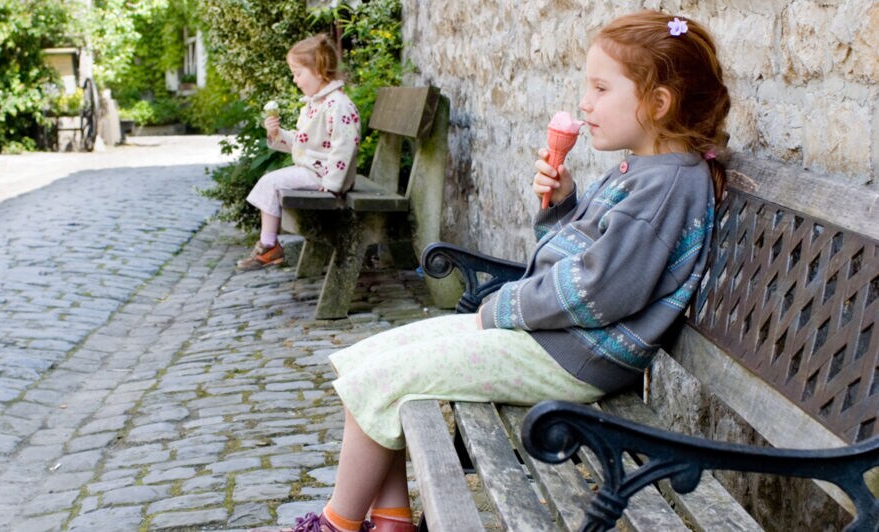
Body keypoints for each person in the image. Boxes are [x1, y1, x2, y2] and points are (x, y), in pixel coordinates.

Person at [261, 10, 732, 532]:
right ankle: (390, 519)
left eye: (600, 88)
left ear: (658, 102)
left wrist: (505, 308)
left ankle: (338, 525)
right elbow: (591, 261)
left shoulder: (664, 185)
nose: (584, 103)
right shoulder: (648, 171)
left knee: (381, 381)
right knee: (366, 360)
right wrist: (561, 205)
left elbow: (601, 289)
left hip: (569, 356)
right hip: (556, 340)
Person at [236, 34, 362, 271]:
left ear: (319, 70)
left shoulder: (338, 105)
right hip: (315, 172)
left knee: (270, 182)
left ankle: (269, 246)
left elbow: (345, 146)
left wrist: (333, 184)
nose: (295, 80)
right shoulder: (315, 104)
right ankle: (268, 245)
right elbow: (303, 142)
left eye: (298, 73)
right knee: (271, 182)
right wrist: (277, 135)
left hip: (323, 176)